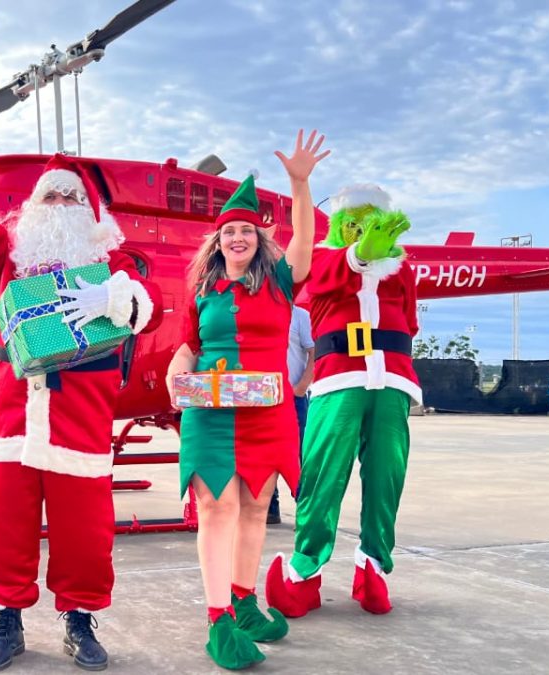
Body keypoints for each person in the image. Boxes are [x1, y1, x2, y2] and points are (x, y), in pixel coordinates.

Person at [0, 106, 162, 672]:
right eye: (50, 199)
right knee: (3, 520)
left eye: (69, 199)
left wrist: (111, 297)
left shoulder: (113, 260)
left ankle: (79, 620)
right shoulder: (11, 260)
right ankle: (6, 618)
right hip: (14, 413)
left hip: (81, 414)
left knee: (84, 529)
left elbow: (146, 307)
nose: (59, 208)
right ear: (34, 210)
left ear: (90, 213)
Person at [165, 130, 329, 670]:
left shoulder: (281, 283)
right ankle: (218, 621)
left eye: (247, 231)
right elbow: (188, 344)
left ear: (259, 239)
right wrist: (176, 370)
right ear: (217, 242)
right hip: (211, 413)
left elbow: (304, 244)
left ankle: (243, 600)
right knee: (217, 507)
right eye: (229, 231)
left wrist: (300, 185)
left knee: (257, 506)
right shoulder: (201, 293)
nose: (238, 237)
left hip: (268, 411)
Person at [266, 183, 421, 619]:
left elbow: (410, 320)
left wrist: (383, 261)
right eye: (352, 223)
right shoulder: (324, 258)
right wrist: (361, 254)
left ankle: (373, 567)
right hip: (339, 379)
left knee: (388, 474)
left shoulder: (403, 270)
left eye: (370, 223)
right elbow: (332, 273)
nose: (359, 231)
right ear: (338, 226)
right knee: (322, 475)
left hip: (392, 380)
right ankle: (304, 573)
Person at [267, 305, 315, 525]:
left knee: (300, 456)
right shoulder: (259, 310)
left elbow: (314, 352)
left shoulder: (300, 315)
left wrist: (302, 387)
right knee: (264, 455)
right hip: (264, 397)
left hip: (293, 397)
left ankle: (307, 511)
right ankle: (270, 508)